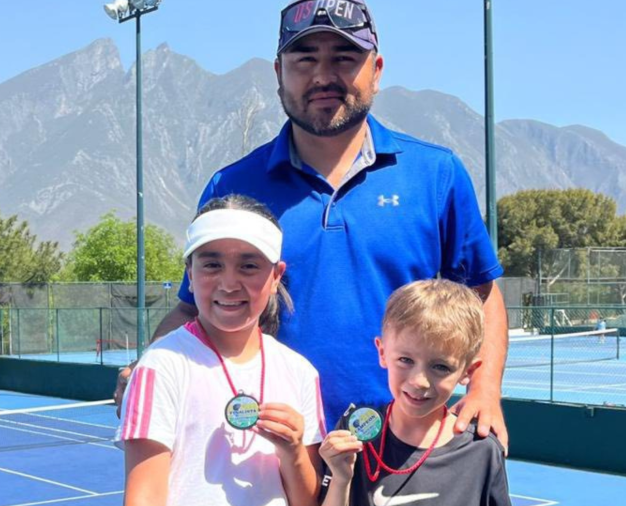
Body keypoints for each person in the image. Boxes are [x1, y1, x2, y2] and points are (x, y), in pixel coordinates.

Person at [116, 0, 509, 450]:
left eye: (343, 57)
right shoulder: (232, 184)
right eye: (305, 59)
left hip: (406, 447)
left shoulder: (436, 174)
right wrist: (151, 366)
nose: (323, 76)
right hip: (274, 452)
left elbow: (483, 293)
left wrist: (485, 387)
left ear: (376, 70)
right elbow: (193, 310)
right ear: (278, 72)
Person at [117, 194, 326, 506]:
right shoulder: (160, 367)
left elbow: (307, 501)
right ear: (190, 273)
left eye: (249, 265)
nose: (229, 283)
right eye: (212, 265)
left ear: (276, 276)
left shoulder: (300, 372)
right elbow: (143, 498)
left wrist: (293, 452)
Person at [320, 279, 511, 506]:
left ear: (467, 371)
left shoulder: (482, 451)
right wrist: (341, 479)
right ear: (382, 353)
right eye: (405, 360)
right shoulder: (356, 433)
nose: (419, 381)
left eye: (441, 367)